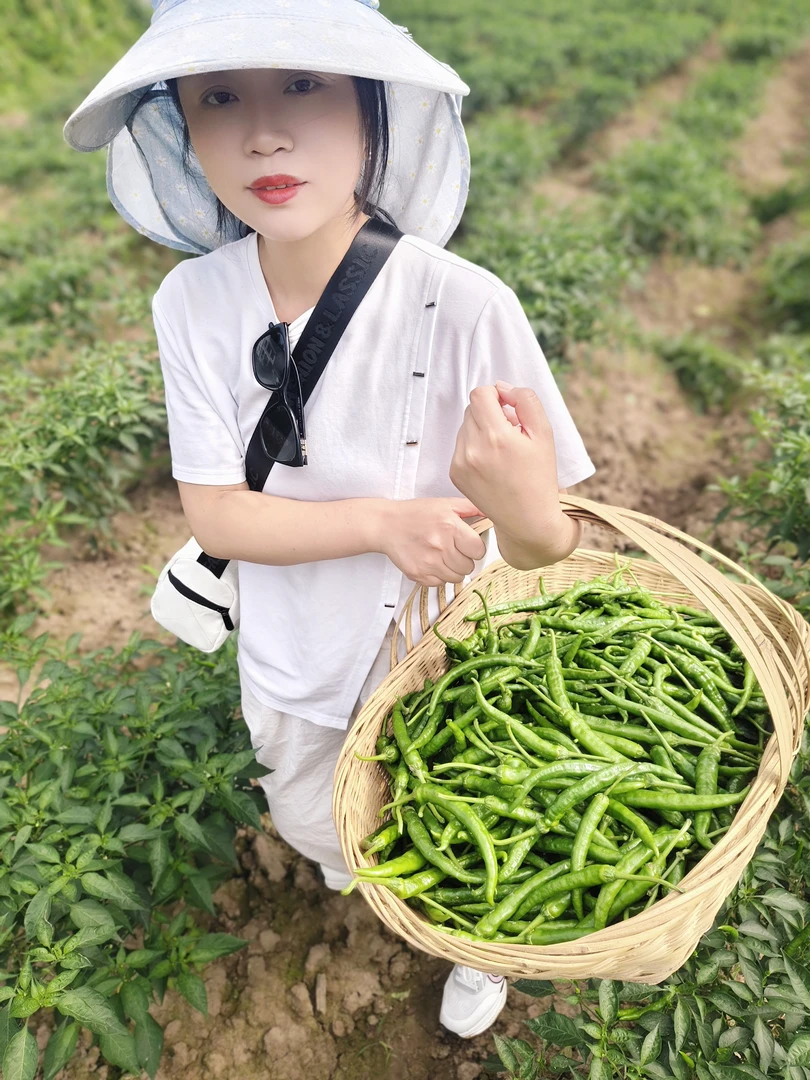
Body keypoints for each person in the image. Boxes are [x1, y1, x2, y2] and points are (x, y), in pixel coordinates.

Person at [63, 0, 595, 1039]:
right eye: (220, 98)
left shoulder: (464, 304)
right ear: (182, 128)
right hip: (295, 641)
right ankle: (370, 879)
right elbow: (219, 514)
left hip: (446, 651)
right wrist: (383, 523)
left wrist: (530, 514)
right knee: (316, 814)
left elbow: (551, 544)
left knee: (468, 815)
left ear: (369, 110)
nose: (263, 134)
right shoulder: (193, 303)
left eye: (304, 85)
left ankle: (473, 943)